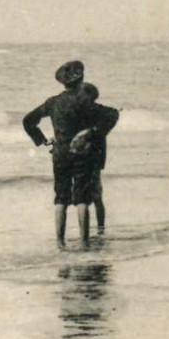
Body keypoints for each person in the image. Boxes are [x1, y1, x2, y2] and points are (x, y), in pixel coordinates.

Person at [22, 59, 113, 248]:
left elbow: (28, 121)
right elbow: (112, 114)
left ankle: (60, 243)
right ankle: (85, 242)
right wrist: (91, 132)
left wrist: (43, 140)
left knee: (61, 198)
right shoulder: (85, 101)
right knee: (82, 198)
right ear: (81, 80)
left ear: (63, 82)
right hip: (82, 153)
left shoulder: (53, 102)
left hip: (60, 152)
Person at [74, 84, 120, 232]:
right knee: (96, 196)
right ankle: (100, 228)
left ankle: (94, 230)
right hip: (95, 157)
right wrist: (97, 130)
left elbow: (114, 113)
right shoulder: (99, 110)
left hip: (86, 157)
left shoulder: (85, 110)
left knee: (87, 196)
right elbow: (114, 113)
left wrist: (92, 131)